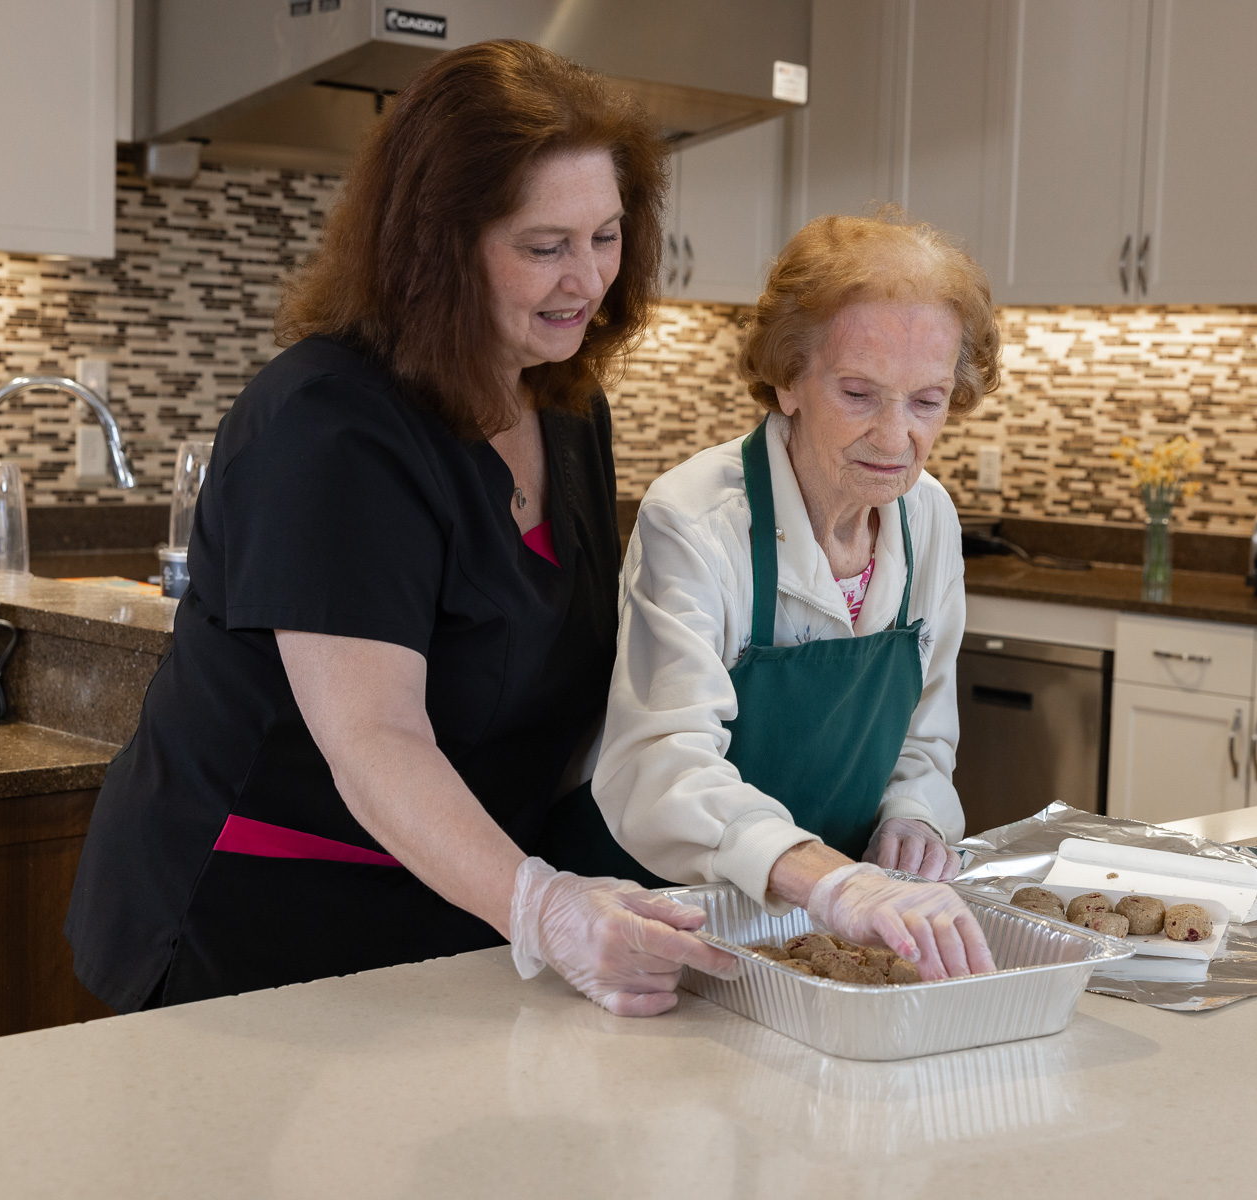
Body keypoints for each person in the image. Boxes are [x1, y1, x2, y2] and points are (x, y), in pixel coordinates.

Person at [64, 40, 734, 1017]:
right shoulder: (328, 426)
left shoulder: (566, 406)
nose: (583, 279)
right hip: (254, 923)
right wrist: (546, 910)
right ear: (438, 245)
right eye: (543, 245)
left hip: (457, 903)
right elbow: (374, 737)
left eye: (605, 235)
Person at [591, 212, 1000, 980]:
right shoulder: (696, 519)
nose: (893, 437)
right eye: (858, 393)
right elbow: (663, 765)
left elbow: (923, 734)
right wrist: (829, 879)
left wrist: (913, 816)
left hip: (831, 930)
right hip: (674, 924)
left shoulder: (929, 518)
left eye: (927, 401)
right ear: (787, 378)